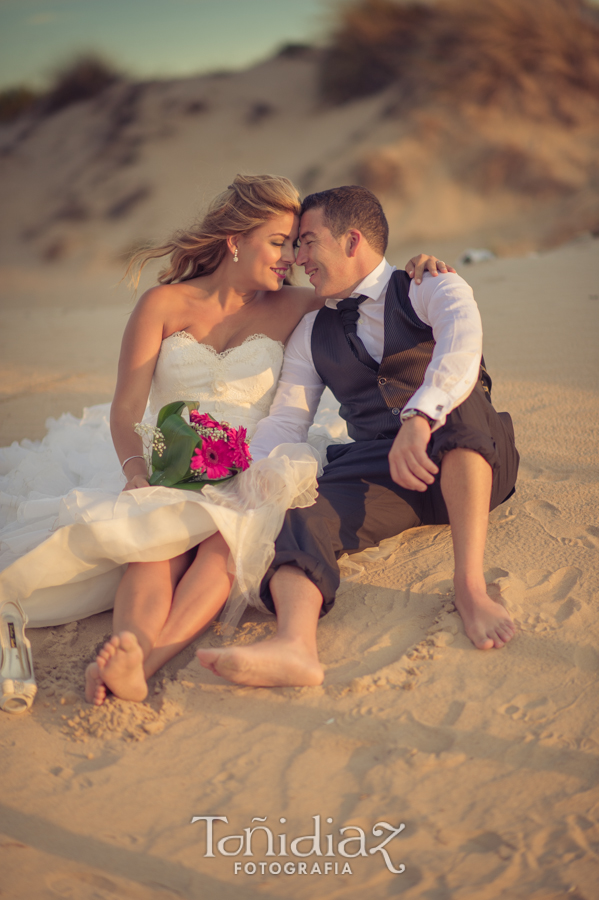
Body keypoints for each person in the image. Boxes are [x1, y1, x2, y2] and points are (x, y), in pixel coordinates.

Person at [0, 174, 448, 708]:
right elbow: (125, 407)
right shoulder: (162, 305)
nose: (292, 258)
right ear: (236, 239)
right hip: (165, 458)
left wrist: (417, 272)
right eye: (281, 243)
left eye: (297, 245)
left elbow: (367, 289)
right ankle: (130, 645)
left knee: (226, 547)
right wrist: (134, 471)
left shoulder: (300, 305)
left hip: (253, 461)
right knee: (151, 549)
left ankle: (144, 664)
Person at [197, 185, 520, 689]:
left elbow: (462, 351)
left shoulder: (430, 285)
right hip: (385, 470)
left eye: (306, 242)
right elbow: (287, 420)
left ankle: (471, 587)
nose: (298, 259)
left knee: (460, 403)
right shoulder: (312, 331)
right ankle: (296, 644)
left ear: (351, 241)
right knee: (298, 507)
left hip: (476, 458)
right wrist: (248, 474)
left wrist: (419, 419)